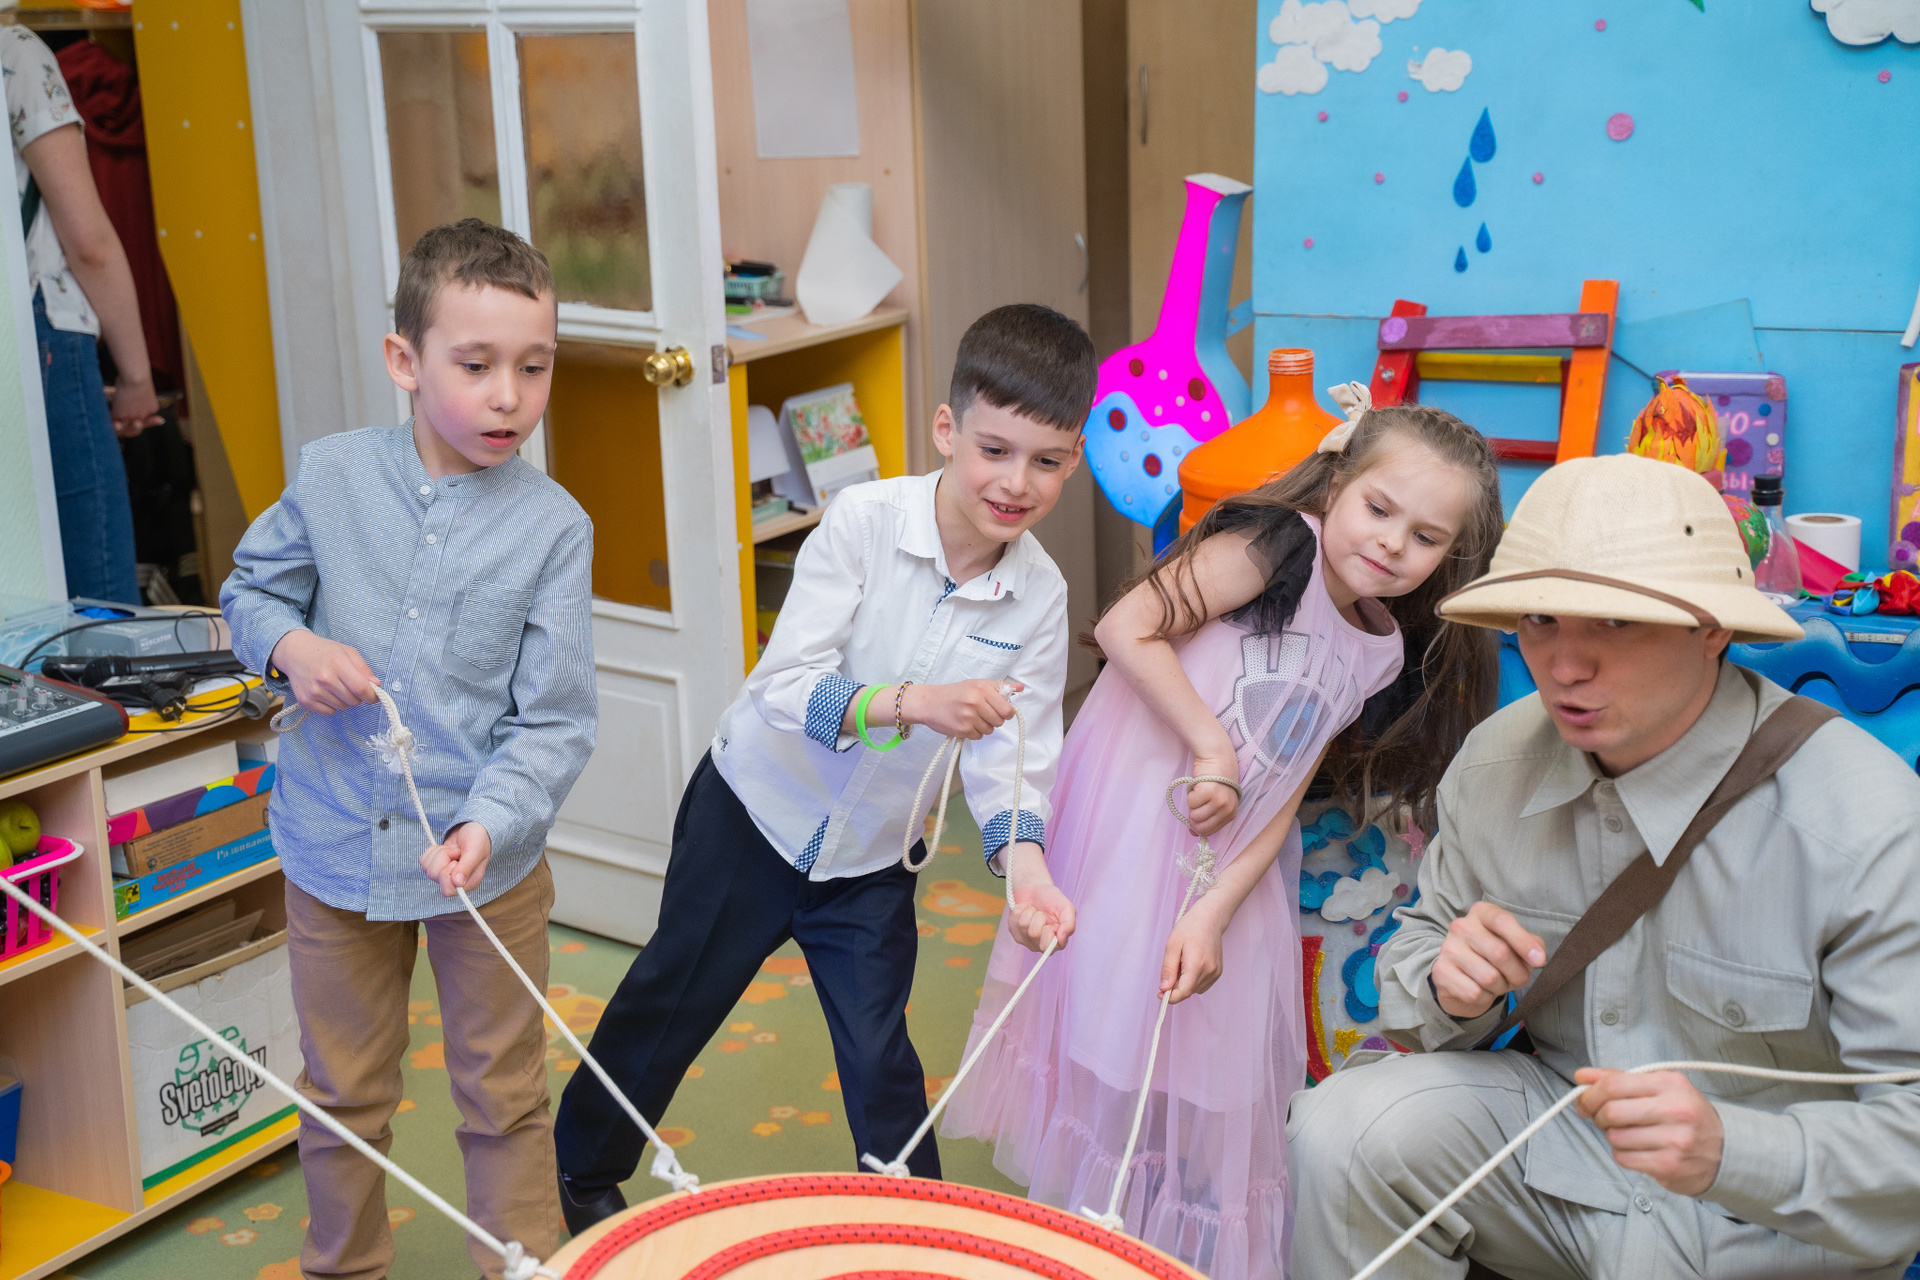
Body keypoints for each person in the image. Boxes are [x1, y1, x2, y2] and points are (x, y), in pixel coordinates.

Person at [1287, 453, 1920, 1279]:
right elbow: (1417, 961)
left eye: (1616, 622)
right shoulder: (1495, 764)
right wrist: (1449, 984)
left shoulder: (1864, 822)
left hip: (1768, 1229)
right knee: (1344, 1128)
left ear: (1713, 629)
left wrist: (1734, 1150)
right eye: (1540, 619)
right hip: (1564, 1160)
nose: (1565, 665)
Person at [552, 303, 1095, 1231]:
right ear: (947, 429)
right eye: (995, 450)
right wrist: (913, 703)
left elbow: (1018, 752)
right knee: (671, 1001)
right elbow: (783, 687)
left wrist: (1028, 869)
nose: (1016, 483)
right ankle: (580, 1169)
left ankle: (920, 1231)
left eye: (1046, 461)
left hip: (873, 858)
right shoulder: (863, 522)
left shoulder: (1039, 595)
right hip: (753, 816)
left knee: (882, 1057)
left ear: (1074, 459)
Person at [942, 390, 1504, 1280]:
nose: (1393, 543)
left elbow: (1283, 794)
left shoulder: (1381, 649)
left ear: (1450, 556)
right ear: (1338, 485)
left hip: (1225, 865)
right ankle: (1086, 1245)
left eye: (1426, 537)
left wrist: (1215, 911)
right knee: (1109, 1031)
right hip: (1134, 822)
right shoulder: (1276, 545)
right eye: (1379, 508)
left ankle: (1151, 1250)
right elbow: (1127, 626)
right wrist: (1212, 747)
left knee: (1200, 1058)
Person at [221, 219, 595, 1280]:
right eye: (475, 366)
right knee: (342, 1089)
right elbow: (250, 593)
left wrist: (491, 822)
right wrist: (291, 646)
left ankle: (521, 1266)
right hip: (334, 841)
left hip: (487, 865)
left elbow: (555, 718)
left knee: (504, 1093)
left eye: (534, 367)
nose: (508, 396)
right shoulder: (332, 475)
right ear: (405, 360)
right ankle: (344, 1265)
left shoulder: (555, 528)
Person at [4, 25, 164, 602]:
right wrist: (136, 378)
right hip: (40, 330)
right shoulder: (16, 55)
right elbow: (89, 241)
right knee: (96, 587)